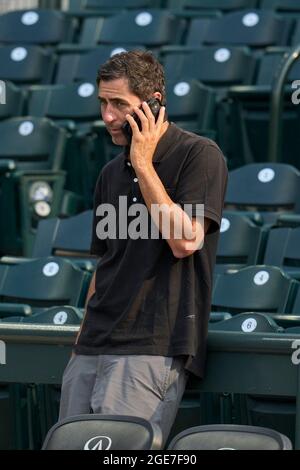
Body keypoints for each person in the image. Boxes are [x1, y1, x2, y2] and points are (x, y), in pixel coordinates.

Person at [59, 50, 228, 447]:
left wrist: (143, 162)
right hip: (92, 347)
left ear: (153, 102)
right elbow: (107, 263)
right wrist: (80, 342)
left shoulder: (199, 155)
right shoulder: (109, 173)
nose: (108, 117)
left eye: (119, 104)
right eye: (103, 102)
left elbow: (185, 240)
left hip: (150, 346)